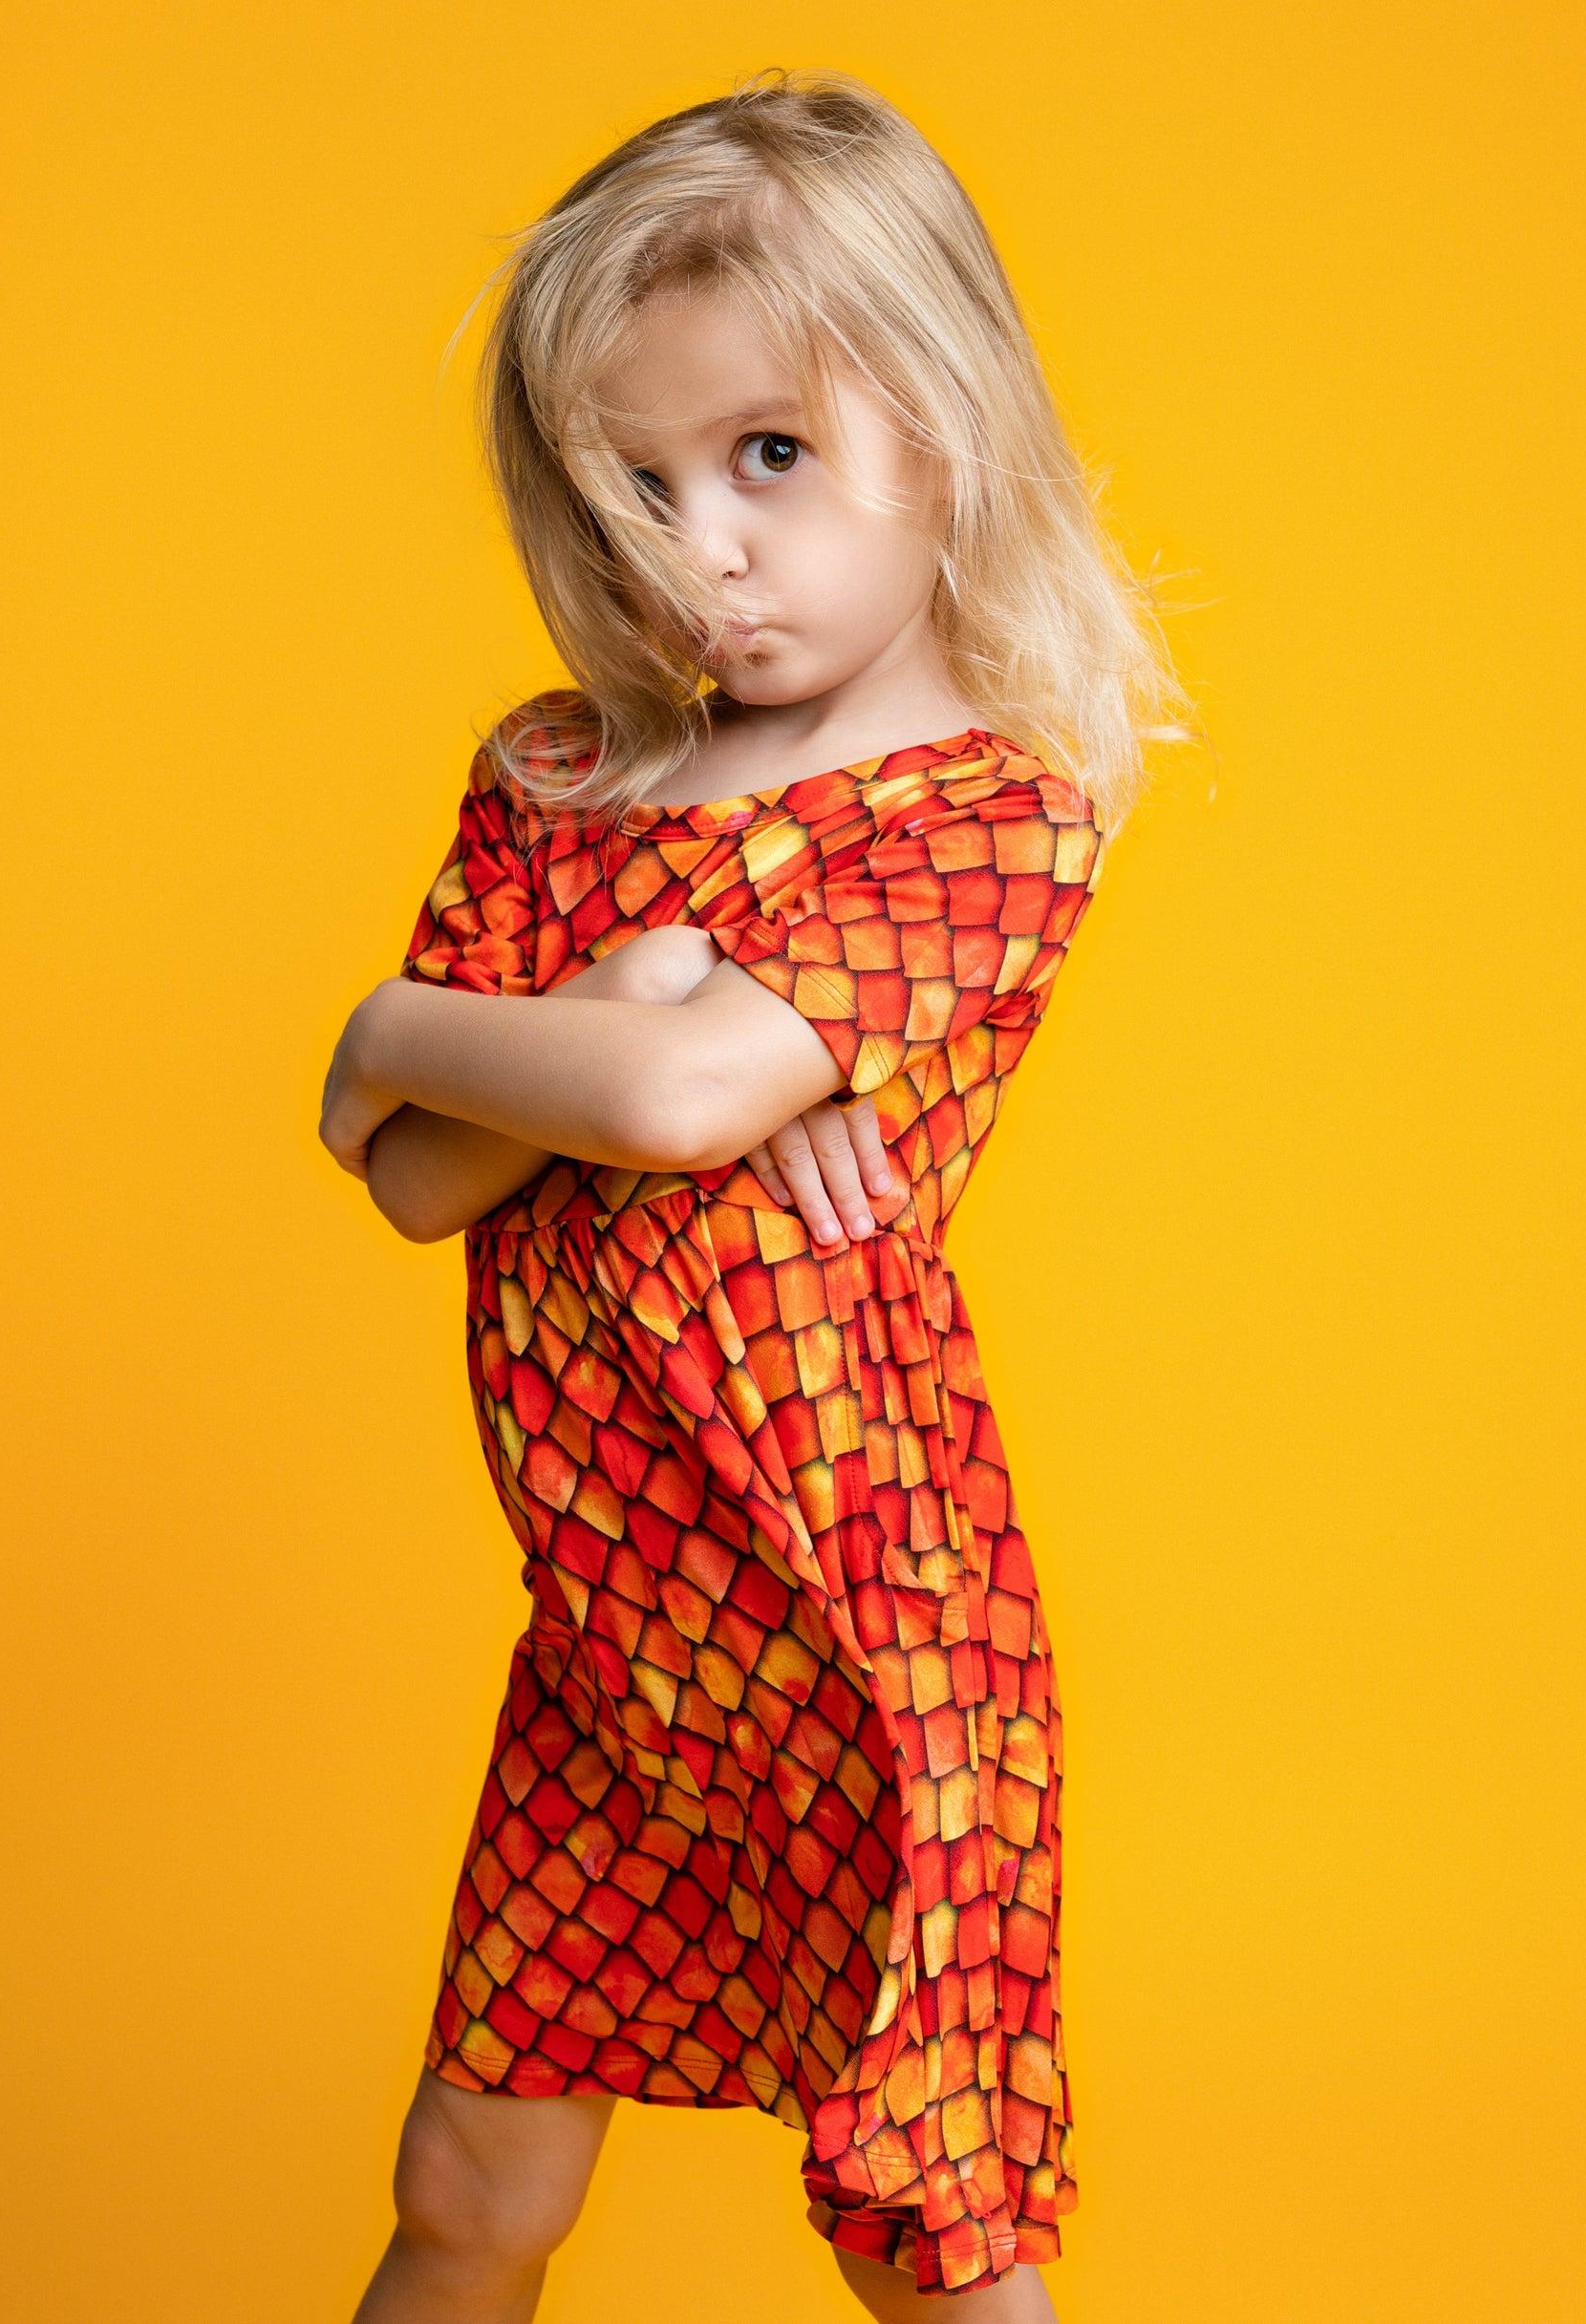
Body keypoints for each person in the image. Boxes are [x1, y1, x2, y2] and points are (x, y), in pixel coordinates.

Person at [319, 68, 1188, 2324]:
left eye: (766, 456)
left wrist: (429, 1025)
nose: (694, 541)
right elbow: (417, 1176)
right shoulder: (564, 775)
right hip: (618, 1648)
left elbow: (690, 1092)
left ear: (943, 422)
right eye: (633, 478)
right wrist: (503, 1034)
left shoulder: (989, 808)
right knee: (469, 2171)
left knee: (928, 2220)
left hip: (861, 1634)